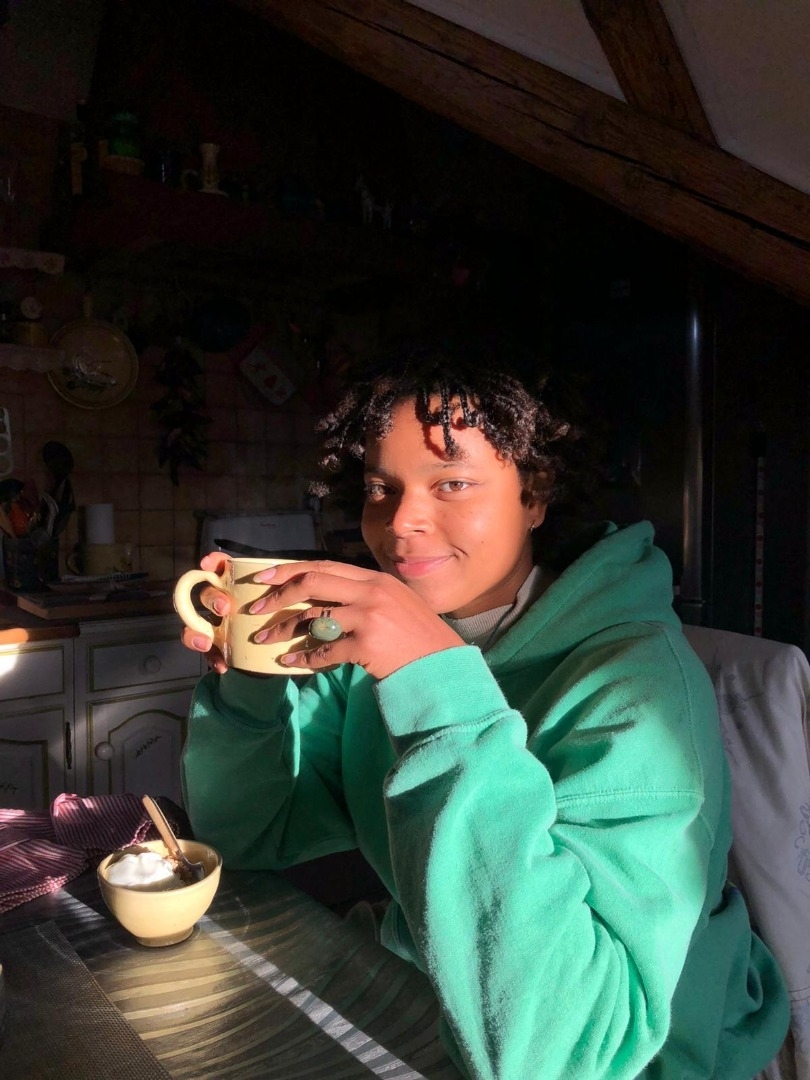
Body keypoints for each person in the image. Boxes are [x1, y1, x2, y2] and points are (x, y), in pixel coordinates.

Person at [180, 337, 789, 1080]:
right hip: (439, 996)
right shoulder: (370, 654)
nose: (401, 521)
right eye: (380, 487)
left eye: (452, 483)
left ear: (535, 494)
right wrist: (252, 678)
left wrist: (434, 689)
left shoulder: (637, 691)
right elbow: (251, 834)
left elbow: (571, 1053)